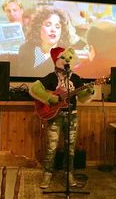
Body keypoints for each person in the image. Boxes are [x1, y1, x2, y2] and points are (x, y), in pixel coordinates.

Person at [29, 47, 95, 189]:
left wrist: (89, 91)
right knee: (51, 147)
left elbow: (82, 98)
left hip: (72, 116)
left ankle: (69, 173)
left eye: (68, 58)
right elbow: (34, 88)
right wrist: (50, 98)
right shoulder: (51, 78)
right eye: (62, 58)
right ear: (56, 60)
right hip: (55, 117)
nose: (66, 61)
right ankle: (47, 174)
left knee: (70, 148)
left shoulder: (76, 78)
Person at [17, 7, 72, 77]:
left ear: (62, 31)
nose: (53, 30)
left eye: (57, 26)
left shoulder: (68, 54)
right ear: (38, 27)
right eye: (48, 25)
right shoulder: (25, 49)